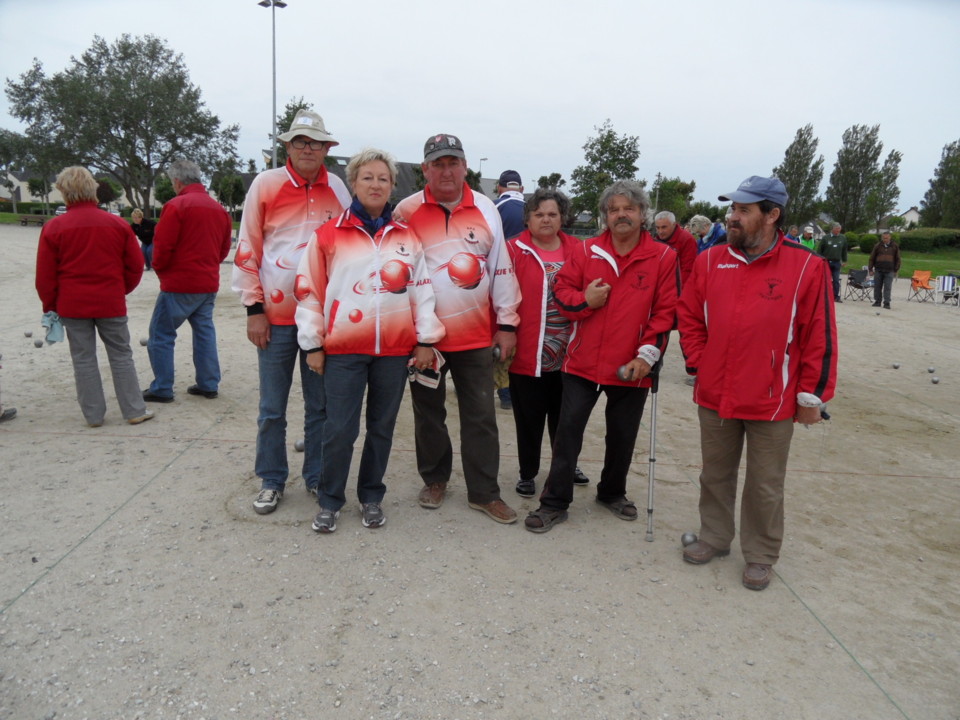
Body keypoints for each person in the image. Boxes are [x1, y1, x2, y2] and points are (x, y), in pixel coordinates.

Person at [677, 175, 838, 591]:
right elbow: (690, 316)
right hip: (715, 393)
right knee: (715, 474)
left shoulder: (807, 266)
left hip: (773, 398)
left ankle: (762, 554)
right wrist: (699, 361)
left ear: (772, 215)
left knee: (765, 485)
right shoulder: (710, 260)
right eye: (732, 209)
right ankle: (714, 536)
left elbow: (818, 336)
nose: (733, 217)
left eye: (743, 210)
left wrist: (811, 396)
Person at [295, 148, 445, 532]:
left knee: (382, 428)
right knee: (340, 430)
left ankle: (371, 496)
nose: (375, 184)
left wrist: (425, 339)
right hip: (344, 350)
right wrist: (312, 343)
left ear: (392, 185)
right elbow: (310, 290)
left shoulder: (407, 238)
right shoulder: (329, 235)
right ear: (354, 183)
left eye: (383, 178)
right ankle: (330, 500)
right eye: (368, 177)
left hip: (394, 353)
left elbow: (422, 291)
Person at [524, 180, 679, 533]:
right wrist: (585, 301)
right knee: (568, 434)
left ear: (643, 214)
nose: (621, 215)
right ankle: (554, 502)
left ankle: (612, 492)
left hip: (632, 365)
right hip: (581, 362)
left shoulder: (664, 257)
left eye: (629, 208)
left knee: (622, 435)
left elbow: (666, 311)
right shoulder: (586, 250)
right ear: (604, 216)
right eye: (613, 209)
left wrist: (648, 355)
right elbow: (561, 291)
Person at [394, 133, 521, 524]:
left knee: (480, 415)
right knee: (427, 411)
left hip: (475, 334)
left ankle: (484, 493)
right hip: (424, 337)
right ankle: (435, 480)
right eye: (438, 163)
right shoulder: (405, 210)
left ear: (466, 167)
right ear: (425, 170)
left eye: (453, 162)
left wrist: (507, 324)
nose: (446, 170)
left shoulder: (486, 208)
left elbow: (501, 267)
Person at [232, 109, 350, 515]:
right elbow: (248, 248)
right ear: (287, 146)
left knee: (321, 406)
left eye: (315, 142)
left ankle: (316, 477)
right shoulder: (266, 185)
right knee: (271, 407)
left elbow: (350, 246)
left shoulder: (338, 187)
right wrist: (253, 309)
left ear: (326, 149)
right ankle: (272, 478)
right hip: (277, 318)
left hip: (321, 321)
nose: (307, 148)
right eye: (300, 141)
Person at [35, 166, 152, 427]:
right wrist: (120, 290)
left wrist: (50, 306)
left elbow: (45, 275)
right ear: (93, 190)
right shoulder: (117, 224)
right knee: (121, 355)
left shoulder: (54, 227)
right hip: (110, 300)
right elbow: (134, 266)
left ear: (64, 193)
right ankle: (134, 409)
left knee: (83, 358)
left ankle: (94, 415)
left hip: (72, 304)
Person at [506, 188, 589, 498]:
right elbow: (500, 295)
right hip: (528, 349)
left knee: (567, 418)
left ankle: (566, 466)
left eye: (552, 214)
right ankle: (527, 472)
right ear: (527, 218)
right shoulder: (512, 249)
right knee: (529, 418)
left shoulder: (580, 250)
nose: (546, 219)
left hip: (570, 352)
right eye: (539, 214)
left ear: (562, 218)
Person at [142, 160, 232, 404]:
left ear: (177, 181)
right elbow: (224, 248)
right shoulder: (219, 210)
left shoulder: (176, 206)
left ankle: (162, 387)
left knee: (160, 334)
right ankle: (208, 383)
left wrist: (160, 270)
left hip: (179, 283)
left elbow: (162, 247)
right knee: (204, 332)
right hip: (207, 282)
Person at [493, 170, 526, 410]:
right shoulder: (533, 208)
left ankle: (504, 390)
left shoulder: (492, 207)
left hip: (500, 278)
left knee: (499, 329)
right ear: (522, 189)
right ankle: (513, 387)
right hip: (529, 276)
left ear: (500, 188)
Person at [653, 210, 697, 285]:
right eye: (657, 228)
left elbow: (687, 270)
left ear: (673, 224)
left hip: (676, 286)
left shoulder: (687, 240)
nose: (660, 231)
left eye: (664, 227)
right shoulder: (655, 240)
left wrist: (676, 291)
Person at [869, 231, 901, 309]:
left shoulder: (895, 246)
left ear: (890, 237)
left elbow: (898, 259)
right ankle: (877, 301)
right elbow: (872, 258)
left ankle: (887, 302)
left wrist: (896, 270)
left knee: (887, 287)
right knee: (877, 286)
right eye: (883, 238)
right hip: (878, 270)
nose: (885, 239)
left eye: (886, 238)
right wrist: (870, 269)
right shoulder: (877, 246)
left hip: (889, 270)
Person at [817, 222, 848, 302]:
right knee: (825, 279)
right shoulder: (826, 238)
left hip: (837, 262)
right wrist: (818, 260)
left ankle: (835, 296)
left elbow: (844, 250)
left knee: (836, 280)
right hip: (826, 262)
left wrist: (844, 260)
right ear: (833, 229)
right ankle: (823, 295)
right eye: (836, 229)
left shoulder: (842, 238)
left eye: (839, 229)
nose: (838, 231)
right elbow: (820, 250)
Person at [494, 170, 526, 240]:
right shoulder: (534, 209)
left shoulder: (492, 206)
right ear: (522, 189)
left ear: (498, 188)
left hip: (503, 250)